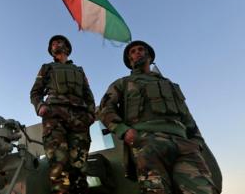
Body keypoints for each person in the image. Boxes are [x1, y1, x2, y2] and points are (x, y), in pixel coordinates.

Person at [98, 40, 218, 194]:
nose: (137, 53)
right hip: (147, 141)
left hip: (183, 144)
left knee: (203, 189)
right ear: (129, 60)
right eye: (132, 52)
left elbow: (187, 116)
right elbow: (105, 109)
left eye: (141, 49)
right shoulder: (123, 83)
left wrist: (197, 142)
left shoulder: (169, 85)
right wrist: (123, 130)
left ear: (149, 55)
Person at [30, 35, 95, 194]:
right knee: (59, 164)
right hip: (55, 117)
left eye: (59, 42)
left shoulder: (79, 70)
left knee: (79, 167)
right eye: (53, 43)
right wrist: (40, 106)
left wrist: (91, 115)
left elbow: (89, 96)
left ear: (67, 47)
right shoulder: (47, 68)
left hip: (79, 119)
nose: (55, 45)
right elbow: (35, 92)